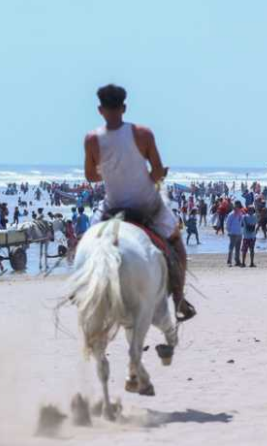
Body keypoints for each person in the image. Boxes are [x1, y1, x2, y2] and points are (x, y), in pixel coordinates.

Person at [83, 84, 195, 321]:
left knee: (87, 241)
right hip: (146, 204)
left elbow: (90, 176)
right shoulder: (143, 134)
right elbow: (156, 173)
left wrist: (112, 172)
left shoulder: (92, 139)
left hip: (112, 206)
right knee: (176, 242)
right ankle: (178, 299)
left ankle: (82, 287)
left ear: (100, 109)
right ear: (124, 107)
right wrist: (148, 174)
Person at [226, 201, 244, 267]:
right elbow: (228, 224)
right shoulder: (231, 214)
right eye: (236, 206)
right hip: (233, 233)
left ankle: (237, 261)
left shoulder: (240, 214)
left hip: (239, 233)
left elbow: (242, 223)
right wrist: (229, 232)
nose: (237, 208)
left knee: (238, 248)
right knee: (231, 247)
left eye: (238, 207)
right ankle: (229, 261)